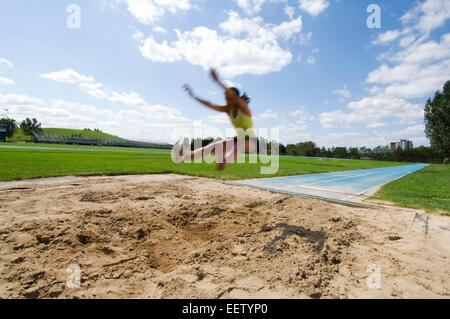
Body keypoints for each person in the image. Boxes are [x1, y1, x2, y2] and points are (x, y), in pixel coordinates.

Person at [177, 68, 258, 170]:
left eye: (228, 97)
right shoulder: (228, 110)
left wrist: (218, 81)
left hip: (250, 142)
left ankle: (225, 161)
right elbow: (210, 105)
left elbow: (231, 94)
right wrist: (194, 96)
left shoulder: (244, 108)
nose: (226, 99)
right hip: (237, 140)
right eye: (225, 97)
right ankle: (184, 157)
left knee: (240, 144)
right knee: (212, 147)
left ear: (235, 97)